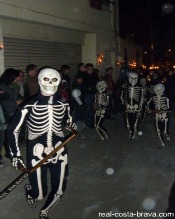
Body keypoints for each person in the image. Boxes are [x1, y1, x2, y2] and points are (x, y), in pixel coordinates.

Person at [7, 67, 76, 219]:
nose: (51, 83)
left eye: (54, 80)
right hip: (36, 153)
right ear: (39, 81)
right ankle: (30, 190)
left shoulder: (64, 105)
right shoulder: (28, 106)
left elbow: (67, 122)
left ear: (58, 82)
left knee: (59, 188)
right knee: (39, 194)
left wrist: (71, 125)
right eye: (46, 79)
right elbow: (12, 131)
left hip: (59, 151)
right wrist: (15, 155)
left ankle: (45, 211)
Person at [147, 83, 171, 149]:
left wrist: (163, 110)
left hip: (164, 117)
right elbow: (147, 103)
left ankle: (168, 137)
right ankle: (162, 144)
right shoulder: (153, 97)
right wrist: (148, 109)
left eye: (159, 90)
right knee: (158, 131)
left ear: (163, 90)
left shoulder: (166, 98)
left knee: (165, 131)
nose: (157, 92)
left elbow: (169, 109)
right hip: (157, 116)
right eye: (156, 90)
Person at [120, 72, 143, 142]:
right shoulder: (125, 87)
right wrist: (124, 103)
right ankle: (132, 132)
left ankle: (132, 136)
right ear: (129, 79)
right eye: (132, 78)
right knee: (128, 124)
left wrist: (140, 108)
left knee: (135, 124)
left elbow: (141, 99)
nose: (133, 80)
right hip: (127, 108)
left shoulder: (140, 88)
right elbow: (121, 97)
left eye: (135, 78)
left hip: (136, 108)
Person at [84, 63, 100, 128]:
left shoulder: (94, 74)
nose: (90, 70)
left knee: (94, 108)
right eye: (88, 68)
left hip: (94, 93)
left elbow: (98, 83)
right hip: (87, 94)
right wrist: (87, 88)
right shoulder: (84, 75)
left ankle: (93, 122)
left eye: (91, 68)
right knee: (88, 108)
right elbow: (83, 84)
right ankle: (87, 123)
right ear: (86, 69)